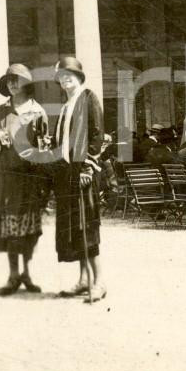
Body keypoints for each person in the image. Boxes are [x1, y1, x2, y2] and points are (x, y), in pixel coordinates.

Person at [0, 63, 49, 295]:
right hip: (6, 176)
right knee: (9, 228)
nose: (13, 84)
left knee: (28, 228)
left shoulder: (38, 112)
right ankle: (13, 275)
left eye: (17, 79)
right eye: (9, 80)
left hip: (29, 178)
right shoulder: (0, 112)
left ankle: (27, 272)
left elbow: (44, 146)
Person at [50, 56, 106, 303]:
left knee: (87, 227)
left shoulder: (88, 98)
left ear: (79, 78)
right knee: (74, 228)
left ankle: (99, 282)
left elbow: (97, 135)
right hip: (67, 174)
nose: (65, 80)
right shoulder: (66, 105)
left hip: (83, 172)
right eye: (61, 77)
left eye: (69, 76)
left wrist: (88, 168)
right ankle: (84, 280)